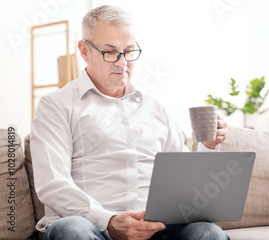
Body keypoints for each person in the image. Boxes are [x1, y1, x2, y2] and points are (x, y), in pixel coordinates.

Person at [31, 5, 229, 240]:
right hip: (91, 227)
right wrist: (110, 221)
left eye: (129, 51)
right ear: (84, 51)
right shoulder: (56, 105)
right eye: (111, 52)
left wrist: (207, 145)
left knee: (208, 233)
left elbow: (186, 183)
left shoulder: (154, 108)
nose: (122, 63)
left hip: (156, 227)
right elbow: (53, 183)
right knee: (71, 231)